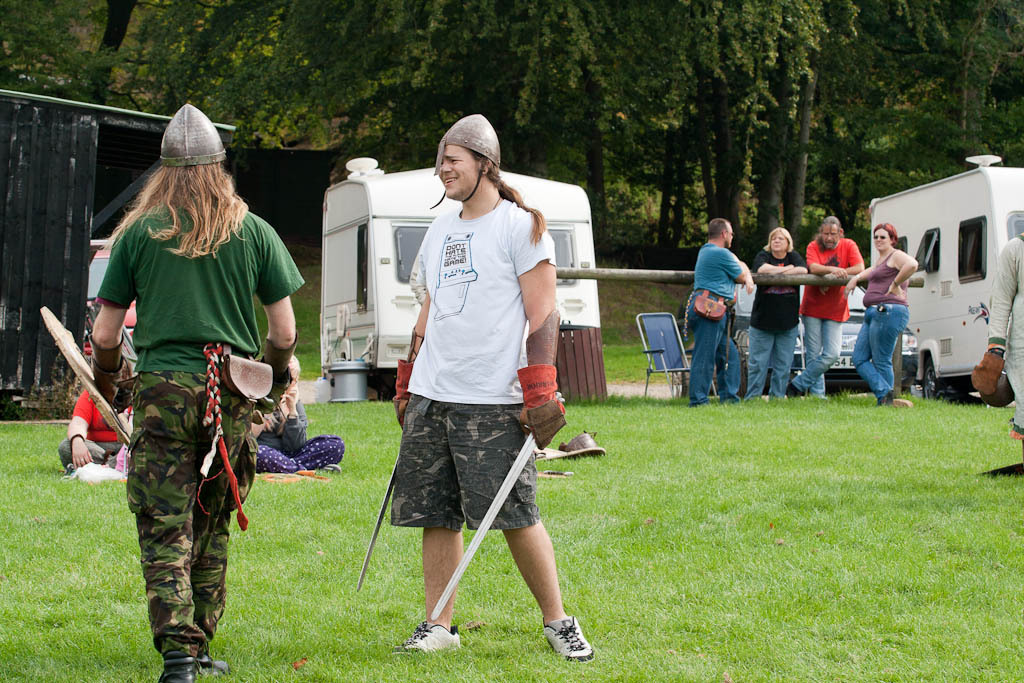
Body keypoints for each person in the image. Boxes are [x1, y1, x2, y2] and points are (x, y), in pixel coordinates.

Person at [90, 104, 304, 683]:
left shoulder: (137, 234)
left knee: (165, 522)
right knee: (210, 519)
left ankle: (179, 656)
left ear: (163, 170)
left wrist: (108, 375)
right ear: (219, 166)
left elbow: (106, 335)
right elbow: (284, 333)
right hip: (230, 396)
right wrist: (275, 375)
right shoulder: (255, 232)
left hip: (161, 393)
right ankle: (200, 645)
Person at [389, 114, 593, 661]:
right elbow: (427, 310)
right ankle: (438, 625)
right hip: (435, 394)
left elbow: (544, 312)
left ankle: (558, 621)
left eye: (452, 160)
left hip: (492, 398)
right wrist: (408, 378)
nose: (443, 170)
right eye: (441, 160)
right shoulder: (439, 230)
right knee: (436, 511)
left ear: (485, 164)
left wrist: (541, 387)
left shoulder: (519, 226)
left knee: (516, 513)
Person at [787, 216, 865, 398]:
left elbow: (859, 266)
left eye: (833, 234)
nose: (829, 238)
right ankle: (818, 396)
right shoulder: (813, 246)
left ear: (840, 233)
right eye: (825, 234)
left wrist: (838, 273)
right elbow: (813, 267)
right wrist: (833, 271)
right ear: (820, 233)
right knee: (814, 354)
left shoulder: (849, 245)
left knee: (832, 354)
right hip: (812, 307)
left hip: (836, 307)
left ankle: (798, 383)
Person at [843, 223, 918, 405]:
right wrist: (856, 277)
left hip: (888, 311)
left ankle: (885, 400)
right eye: (876, 237)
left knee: (881, 359)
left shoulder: (896, 255)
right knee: (859, 358)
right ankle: (885, 393)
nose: (878, 240)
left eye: (883, 237)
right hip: (873, 312)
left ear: (892, 239)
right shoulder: (881, 260)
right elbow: (873, 271)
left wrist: (895, 283)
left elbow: (913, 264)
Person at [685, 218, 755, 407]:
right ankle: (698, 401)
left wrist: (744, 269)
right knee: (705, 356)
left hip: (716, 308)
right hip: (710, 308)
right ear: (724, 234)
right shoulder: (720, 253)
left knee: (729, 355)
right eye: (731, 234)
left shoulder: (708, 250)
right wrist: (747, 274)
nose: (732, 237)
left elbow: (740, 264)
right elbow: (740, 273)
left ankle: (729, 398)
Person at [744, 227, 807, 400]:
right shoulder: (763, 256)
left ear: (788, 243)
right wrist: (787, 270)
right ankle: (753, 399)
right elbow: (762, 269)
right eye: (773, 239)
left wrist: (782, 269)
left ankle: (777, 399)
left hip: (788, 324)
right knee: (758, 364)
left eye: (781, 239)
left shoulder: (794, 256)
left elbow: (803, 270)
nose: (776, 241)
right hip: (762, 323)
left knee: (783, 365)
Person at [254, 357, 345, 473]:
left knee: (336, 444)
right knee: (259, 453)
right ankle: (303, 469)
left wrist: (292, 412)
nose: (288, 384)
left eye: (293, 380)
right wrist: (267, 410)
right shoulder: (256, 395)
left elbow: (296, 446)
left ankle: (289, 467)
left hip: (290, 454)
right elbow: (247, 437)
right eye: (286, 379)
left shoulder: (294, 401)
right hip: (265, 452)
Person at [57, 390, 123, 472]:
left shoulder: (136, 393)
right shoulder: (90, 393)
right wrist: (77, 440)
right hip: (97, 449)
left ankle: (104, 467)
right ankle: (116, 466)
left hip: (125, 447)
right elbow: (78, 423)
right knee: (66, 446)